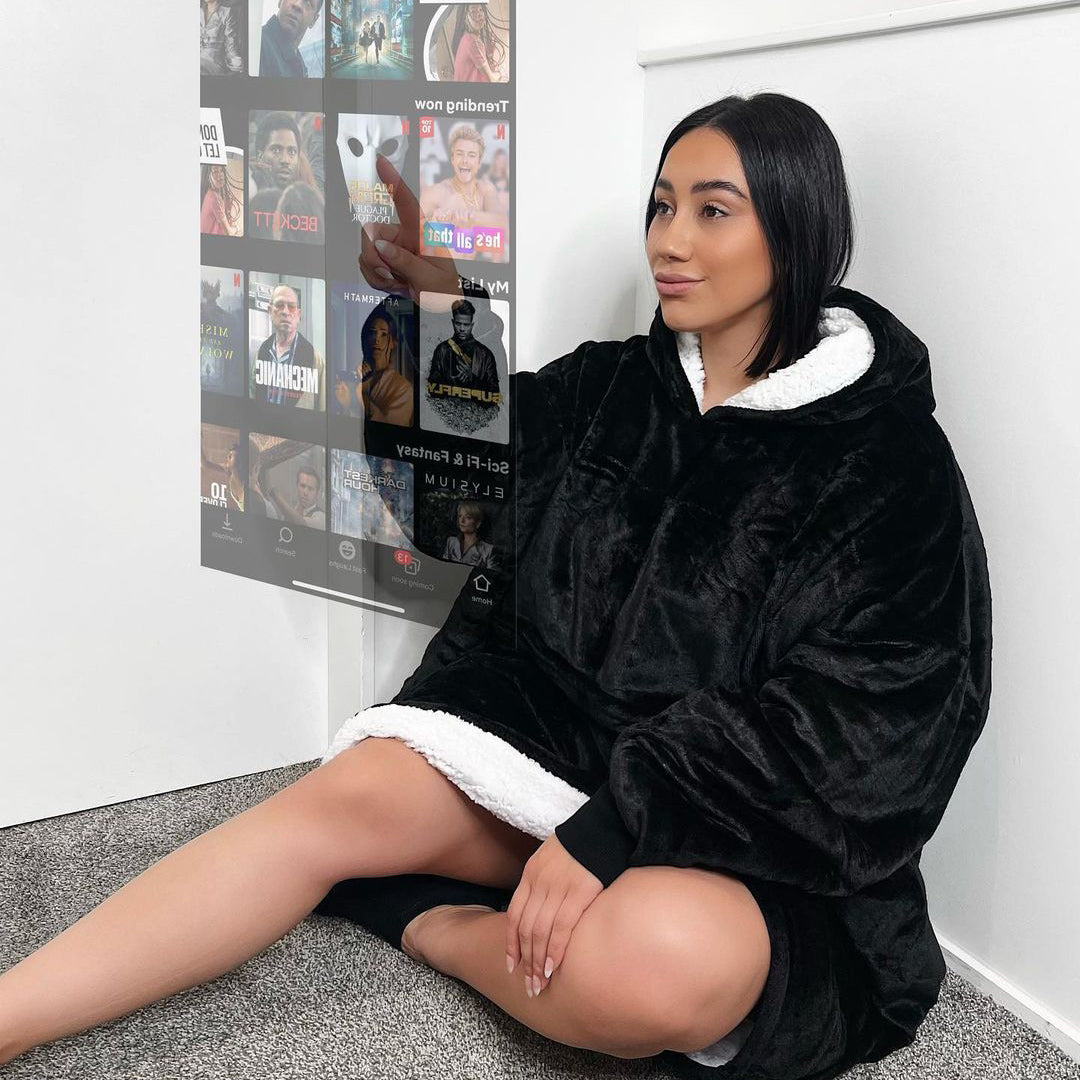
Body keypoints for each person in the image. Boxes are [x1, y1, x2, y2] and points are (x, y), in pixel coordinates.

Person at [0, 93, 992, 1080]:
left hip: (743, 834)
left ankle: (432, 924)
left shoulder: (890, 460)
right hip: (549, 745)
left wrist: (620, 825)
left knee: (649, 968)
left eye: (713, 209)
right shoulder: (611, 387)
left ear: (798, 224)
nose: (670, 240)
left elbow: (867, 720)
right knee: (334, 802)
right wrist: (435, 308)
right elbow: (458, 490)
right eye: (660, 205)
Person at [250, 283, 325, 410]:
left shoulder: (315, 359)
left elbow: (322, 409)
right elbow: (252, 400)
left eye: (291, 307)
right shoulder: (260, 353)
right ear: (269, 311)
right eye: (279, 305)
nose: (285, 311)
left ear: (298, 314)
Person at [259, 0, 322, 78]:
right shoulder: (257, 44)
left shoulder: (301, 66)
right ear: (280, 1)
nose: (297, 5)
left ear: (314, 20)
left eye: (308, 3)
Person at [257, 464, 326, 530]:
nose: (305, 492)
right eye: (302, 486)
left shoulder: (321, 517)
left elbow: (301, 524)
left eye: (310, 489)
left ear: (317, 493)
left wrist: (273, 492)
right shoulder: (291, 511)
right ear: (297, 485)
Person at [199, 0, 244, 74]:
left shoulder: (227, 12)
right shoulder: (198, 11)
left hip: (213, 62)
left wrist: (236, 62)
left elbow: (231, 45)